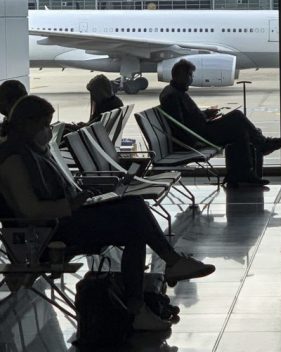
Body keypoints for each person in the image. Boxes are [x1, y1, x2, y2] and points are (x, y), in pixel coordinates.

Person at [0, 95, 216, 331]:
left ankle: (141, 307)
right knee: (133, 212)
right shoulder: (13, 160)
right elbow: (30, 210)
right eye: (44, 124)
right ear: (26, 123)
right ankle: (166, 269)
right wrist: (71, 205)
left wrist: (79, 200)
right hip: (45, 236)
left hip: (59, 225)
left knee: (134, 226)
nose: (48, 132)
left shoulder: (31, 152)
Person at [159, 59, 281, 184]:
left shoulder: (175, 92)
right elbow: (180, 126)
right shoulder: (173, 96)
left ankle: (243, 174)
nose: (191, 78)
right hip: (201, 135)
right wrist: (196, 140)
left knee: (240, 132)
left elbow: (188, 118)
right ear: (181, 75)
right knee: (237, 116)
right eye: (190, 75)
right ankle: (263, 145)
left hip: (202, 129)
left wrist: (206, 114)